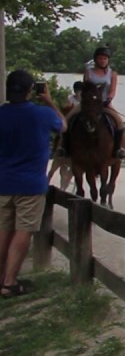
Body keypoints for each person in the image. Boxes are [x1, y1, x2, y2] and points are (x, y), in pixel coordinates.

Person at [0, 70, 68, 298]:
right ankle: (9, 282)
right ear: (31, 90)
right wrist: (49, 101)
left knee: (3, 230)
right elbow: (63, 125)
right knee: (23, 231)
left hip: (3, 182)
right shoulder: (42, 114)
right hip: (30, 184)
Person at [63, 46, 125, 159]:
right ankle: (65, 148)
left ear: (108, 60)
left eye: (105, 59)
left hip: (104, 103)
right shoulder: (89, 72)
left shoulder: (112, 74)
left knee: (119, 123)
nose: (103, 60)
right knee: (67, 119)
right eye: (100, 58)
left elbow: (112, 91)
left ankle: (118, 149)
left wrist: (108, 100)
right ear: (96, 59)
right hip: (88, 104)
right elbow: (85, 88)